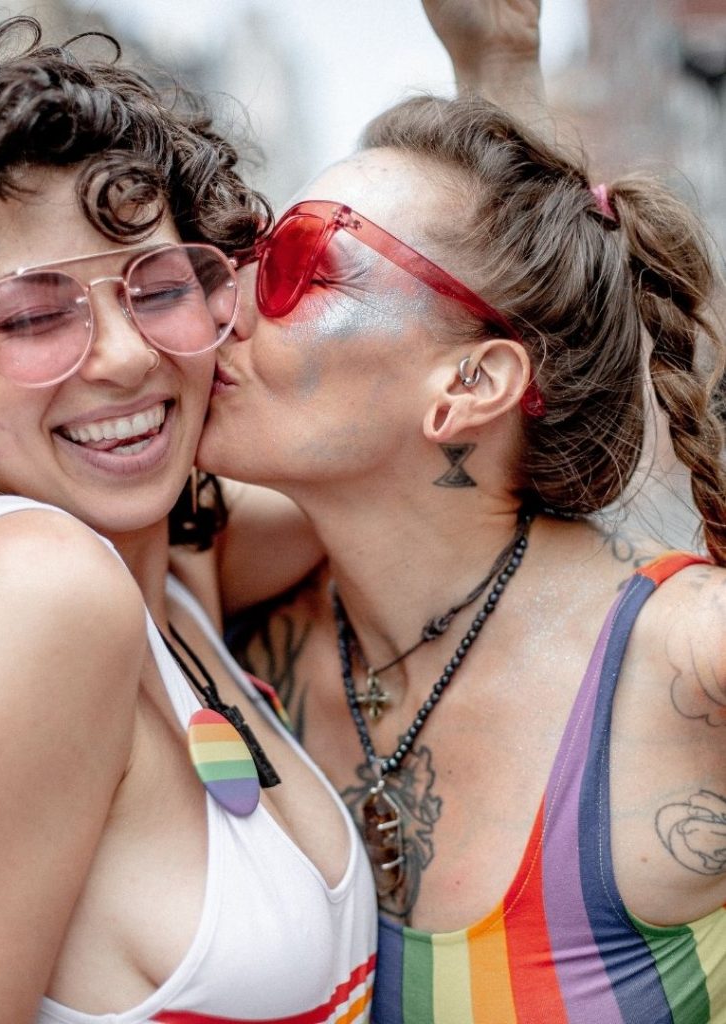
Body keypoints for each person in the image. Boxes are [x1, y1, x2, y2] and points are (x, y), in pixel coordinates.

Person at [0, 19, 377, 1023]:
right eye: (35, 316)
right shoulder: (37, 587)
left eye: (161, 288)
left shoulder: (166, 566)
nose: (126, 355)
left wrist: (499, 70)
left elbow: (367, 482)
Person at [198, 51, 726, 1024]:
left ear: (472, 384)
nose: (219, 301)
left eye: (295, 262)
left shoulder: (686, 657)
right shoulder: (222, 603)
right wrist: (496, 70)